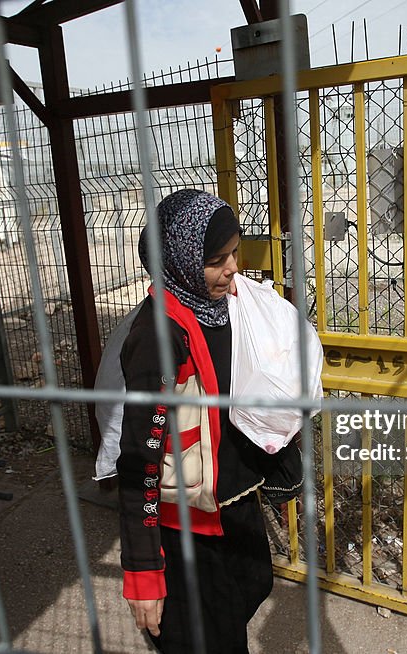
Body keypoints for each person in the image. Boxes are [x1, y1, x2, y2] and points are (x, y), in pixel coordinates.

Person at [118, 189, 279, 653]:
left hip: (234, 504)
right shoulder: (158, 339)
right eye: (216, 260)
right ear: (182, 261)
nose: (232, 269)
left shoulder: (227, 307)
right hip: (187, 528)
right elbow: (139, 463)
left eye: (234, 253)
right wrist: (144, 570)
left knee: (248, 593)